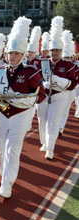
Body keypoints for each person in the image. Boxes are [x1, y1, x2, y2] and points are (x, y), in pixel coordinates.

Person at [0, 16, 46, 198]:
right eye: (10, 53)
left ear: (22, 55)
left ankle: (7, 184)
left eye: (16, 53)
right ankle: (5, 173)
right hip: (2, 113)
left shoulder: (31, 72)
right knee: (2, 146)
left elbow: (40, 95)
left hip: (21, 115)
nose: (12, 56)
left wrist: (21, 100)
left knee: (13, 148)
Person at [36, 16, 77, 160]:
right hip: (44, 95)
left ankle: (50, 148)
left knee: (53, 122)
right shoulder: (42, 63)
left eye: (57, 50)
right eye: (53, 50)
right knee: (42, 120)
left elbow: (73, 83)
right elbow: (35, 78)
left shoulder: (68, 65)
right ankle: (45, 142)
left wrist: (58, 80)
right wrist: (42, 83)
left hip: (60, 97)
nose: (55, 53)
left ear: (61, 50)